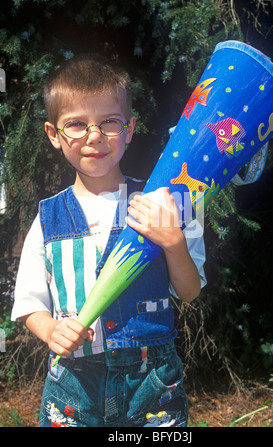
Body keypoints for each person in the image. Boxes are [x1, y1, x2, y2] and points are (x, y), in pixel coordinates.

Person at [11, 53, 206, 427]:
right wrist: (51, 330)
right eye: (76, 125)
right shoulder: (47, 216)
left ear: (130, 129)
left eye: (109, 123)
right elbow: (29, 303)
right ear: (54, 134)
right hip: (73, 385)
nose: (94, 136)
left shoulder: (164, 205)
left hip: (152, 383)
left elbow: (190, 290)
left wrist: (173, 242)